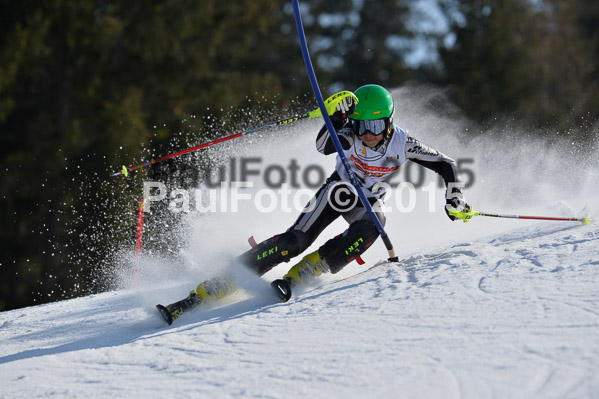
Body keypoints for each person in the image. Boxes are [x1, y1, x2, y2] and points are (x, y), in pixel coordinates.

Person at [182, 85, 471, 306]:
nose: (367, 135)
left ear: (389, 122)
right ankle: (228, 278)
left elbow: (447, 164)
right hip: (340, 190)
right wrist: (333, 119)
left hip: (368, 201)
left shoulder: (403, 142)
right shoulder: (350, 132)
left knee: (375, 223)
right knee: (294, 241)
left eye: (375, 126)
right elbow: (323, 146)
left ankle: (310, 268)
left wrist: (454, 197)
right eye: (361, 126)